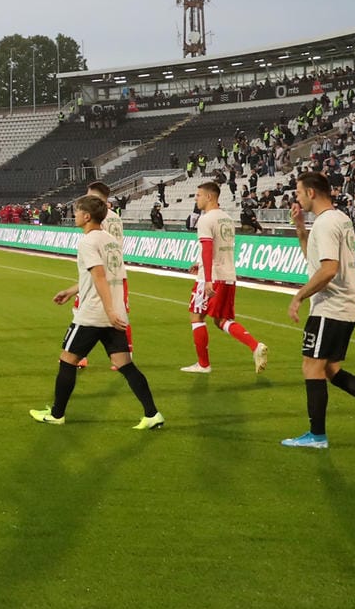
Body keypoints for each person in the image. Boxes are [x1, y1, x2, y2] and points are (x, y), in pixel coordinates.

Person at [282, 171, 355, 449]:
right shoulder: (339, 219)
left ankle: (317, 435)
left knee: (311, 366)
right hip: (344, 307)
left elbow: (328, 269)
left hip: (330, 307)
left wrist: (298, 296)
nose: (297, 198)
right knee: (330, 369)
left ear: (311, 193)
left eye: (299, 193)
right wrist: (300, 228)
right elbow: (315, 261)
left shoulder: (326, 224)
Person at [29, 194, 164, 429]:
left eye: (77, 211)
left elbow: (100, 275)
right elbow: (111, 276)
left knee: (68, 360)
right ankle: (152, 414)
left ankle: (57, 414)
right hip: (114, 312)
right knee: (125, 363)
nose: (75, 215)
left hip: (93, 313)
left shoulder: (87, 242)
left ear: (87, 216)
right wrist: (73, 291)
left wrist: (108, 310)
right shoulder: (110, 240)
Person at [178, 181, 267, 375]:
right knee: (221, 320)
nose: (196, 198)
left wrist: (207, 278)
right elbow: (218, 248)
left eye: (198, 195)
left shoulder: (206, 220)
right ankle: (255, 346)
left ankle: (203, 364)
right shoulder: (226, 219)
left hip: (210, 278)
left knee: (196, 316)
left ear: (209, 196)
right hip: (228, 276)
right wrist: (199, 263)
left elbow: (209, 248)